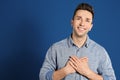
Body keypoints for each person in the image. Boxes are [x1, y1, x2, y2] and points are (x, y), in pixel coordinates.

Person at [39, 3, 116, 80]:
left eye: (87, 20)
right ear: (72, 22)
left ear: (90, 26)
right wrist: (65, 71)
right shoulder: (55, 49)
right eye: (79, 18)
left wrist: (87, 72)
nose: (82, 23)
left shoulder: (100, 52)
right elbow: (42, 77)